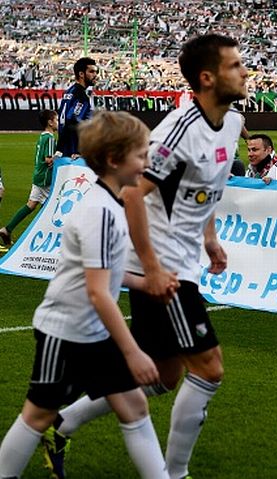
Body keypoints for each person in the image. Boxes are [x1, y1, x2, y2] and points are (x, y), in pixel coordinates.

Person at [40, 33, 248, 479]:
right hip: (161, 265)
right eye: (235, 66)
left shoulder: (232, 123)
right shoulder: (180, 128)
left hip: (185, 259)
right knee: (209, 369)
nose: (244, 71)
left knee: (165, 375)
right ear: (207, 78)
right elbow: (134, 193)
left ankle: (62, 422)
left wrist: (210, 237)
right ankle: (175, 474)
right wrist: (152, 270)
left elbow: (204, 188)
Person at [0, 111, 170, 479]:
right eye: (140, 154)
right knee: (37, 415)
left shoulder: (111, 204)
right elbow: (98, 292)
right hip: (66, 332)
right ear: (113, 160)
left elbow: (104, 275)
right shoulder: (101, 211)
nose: (147, 161)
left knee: (134, 405)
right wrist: (132, 351)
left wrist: (145, 283)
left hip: (91, 331)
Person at [0, 110, 57, 247]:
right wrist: (61, 156)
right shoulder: (50, 137)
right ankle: (41, 239)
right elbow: (49, 160)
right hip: (45, 178)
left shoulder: (42, 136)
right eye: (56, 119)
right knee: (52, 209)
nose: (58, 122)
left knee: (31, 204)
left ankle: (7, 229)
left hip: (38, 175)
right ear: (50, 122)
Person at [56, 57, 98, 158]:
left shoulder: (69, 91)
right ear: (81, 74)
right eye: (91, 71)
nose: (95, 75)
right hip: (74, 152)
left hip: (65, 149)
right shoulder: (81, 96)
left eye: (96, 72)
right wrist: (78, 150)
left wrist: (59, 149)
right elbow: (72, 120)